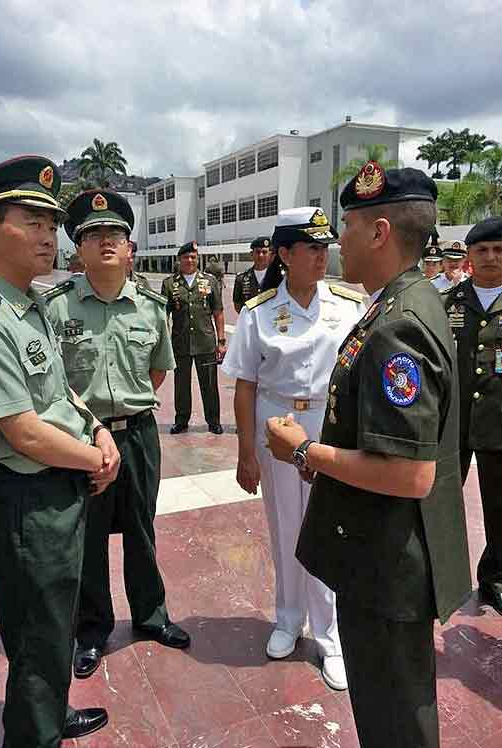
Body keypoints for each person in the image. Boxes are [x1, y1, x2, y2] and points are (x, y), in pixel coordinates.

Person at [266, 162, 471, 748]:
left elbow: (408, 473)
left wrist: (304, 449)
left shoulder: (396, 326)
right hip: (391, 555)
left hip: (387, 562)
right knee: (397, 705)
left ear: (379, 232)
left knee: (394, 717)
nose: (337, 245)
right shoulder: (411, 300)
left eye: (347, 228)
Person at [0, 156, 120, 746]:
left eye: (52, 224)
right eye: (32, 221)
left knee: (53, 627)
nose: (50, 236)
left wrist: (98, 428)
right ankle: (34, 733)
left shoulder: (30, 302)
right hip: (25, 500)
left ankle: (48, 713)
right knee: (36, 634)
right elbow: (21, 430)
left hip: (58, 487)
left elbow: (59, 393)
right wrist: (96, 460)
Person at [45, 189, 190, 679]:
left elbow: (157, 372)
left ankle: (151, 617)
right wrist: (94, 427)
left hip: (139, 436)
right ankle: (92, 629)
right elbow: (52, 385)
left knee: (141, 530)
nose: (105, 241)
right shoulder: (56, 309)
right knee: (86, 537)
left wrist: (126, 412)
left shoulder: (152, 307)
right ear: (78, 249)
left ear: (130, 249)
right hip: (82, 441)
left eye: (115, 234)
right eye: (93, 234)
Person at [222, 207, 364, 691]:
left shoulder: (349, 304)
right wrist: (246, 451)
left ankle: (330, 636)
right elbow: (244, 383)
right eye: (311, 248)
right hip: (276, 424)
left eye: (326, 248)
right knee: (285, 528)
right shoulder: (258, 312)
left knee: (328, 528)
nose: (322, 257)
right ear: (284, 254)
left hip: (329, 424)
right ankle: (288, 619)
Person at [442, 217, 502, 615]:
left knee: (499, 506)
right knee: (442, 499)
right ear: (469, 256)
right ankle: (440, 573)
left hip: (499, 421)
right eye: (482, 250)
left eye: (499, 250)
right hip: (453, 421)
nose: (491, 257)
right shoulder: (448, 301)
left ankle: (494, 577)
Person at [161, 241, 227, 434]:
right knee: (181, 386)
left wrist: (221, 341)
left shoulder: (210, 281)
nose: (189, 260)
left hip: (205, 343)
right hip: (180, 343)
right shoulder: (169, 284)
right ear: (179, 259)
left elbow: (218, 312)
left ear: (197, 259)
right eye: (185, 257)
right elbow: (163, 314)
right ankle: (181, 420)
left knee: (209, 385)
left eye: (193, 257)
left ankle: (213, 421)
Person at [232, 236, 272, 313]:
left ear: (270, 255)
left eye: (264, 252)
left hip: (272, 323)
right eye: (257, 252)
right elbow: (237, 304)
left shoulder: (280, 277)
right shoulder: (241, 278)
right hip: (251, 322)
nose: (261, 255)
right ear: (251, 254)